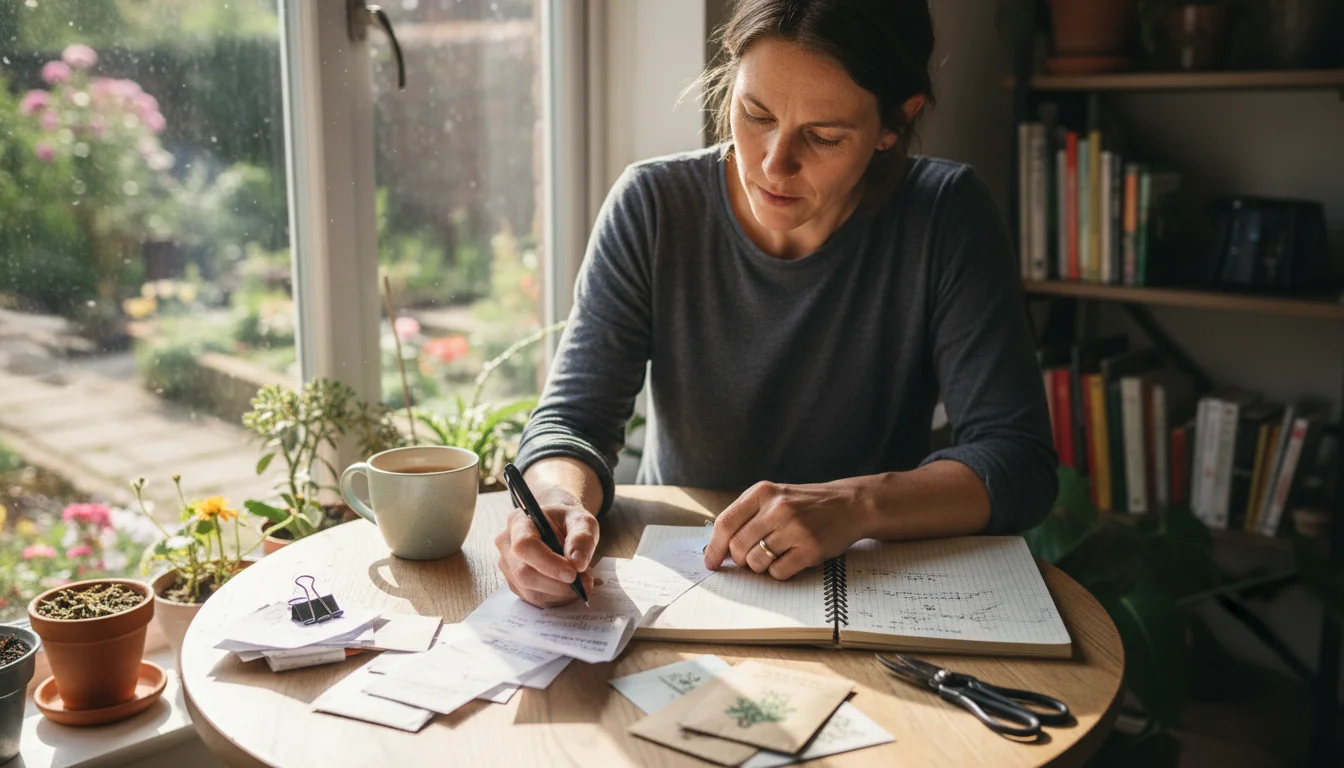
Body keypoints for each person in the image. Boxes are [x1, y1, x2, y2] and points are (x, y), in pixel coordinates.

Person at [494, 0, 1057, 609]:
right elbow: (571, 422)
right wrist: (557, 499)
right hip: (687, 586)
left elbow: (1017, 460)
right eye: (755, 114)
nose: (772, 163)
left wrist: (855, 504)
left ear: (896, 121)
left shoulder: (946, 217)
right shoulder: (654, 207)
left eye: (823, 137)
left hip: (869, 586)